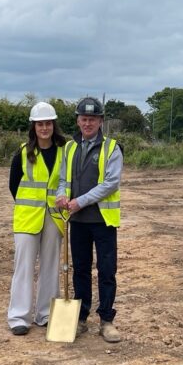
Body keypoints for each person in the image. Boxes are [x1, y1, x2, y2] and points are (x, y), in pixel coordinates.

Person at [55, 96, 124, 343]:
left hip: (103, 220)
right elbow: (63, 179)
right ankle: (81, 318)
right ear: (78, 120)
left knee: (106, 271)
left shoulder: (111, 148)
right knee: (80, 271)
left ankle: (107, 320)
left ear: (100, 121)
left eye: (92, 119)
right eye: (84, 119)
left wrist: (80, 201)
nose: (87, 123)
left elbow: (110, 183)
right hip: (78, 221)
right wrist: (62, 194)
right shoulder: (70, 148)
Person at [7, 101, 67, 335]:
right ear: (34, 126)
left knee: (51, 266)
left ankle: (46, 314)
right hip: (27, 217)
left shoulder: (64, 150)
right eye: (40, 124)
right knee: (24, 267)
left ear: (54, 125)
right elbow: (14, 185)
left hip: (54, 216)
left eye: (48, 123)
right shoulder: (23, 152)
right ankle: (19, 317)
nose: (44, 128)